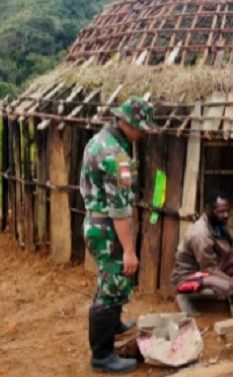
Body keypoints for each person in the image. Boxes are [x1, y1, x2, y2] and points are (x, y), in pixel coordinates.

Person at [80, 96, 157, 374]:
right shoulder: (116, 156)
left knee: (110, 280)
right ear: (127, 123)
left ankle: (113, 326)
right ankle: (102, 355)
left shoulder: (100, 140)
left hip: (96, 223)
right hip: (108, 228)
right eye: (141, 127)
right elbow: (119, 209)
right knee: (113, 285)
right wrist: (128, 249)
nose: (144, 133)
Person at [170, 189, 233, 315]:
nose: (226, 215)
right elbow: (209, 270)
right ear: (208, 209)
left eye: (227, 211)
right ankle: (185, 295)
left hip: (206, 268)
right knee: (225, 287)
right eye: (221, 211)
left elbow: (226, 252)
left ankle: (222, 285)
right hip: (189, 277)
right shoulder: (200, 234)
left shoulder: (218, 223)